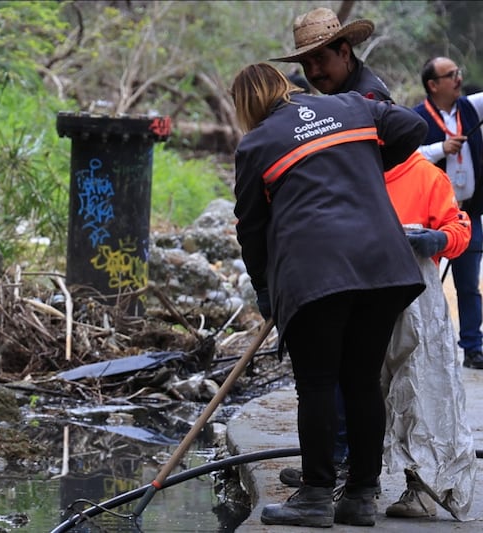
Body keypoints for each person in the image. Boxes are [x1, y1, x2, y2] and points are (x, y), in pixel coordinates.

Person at [231, 62, 427, 527]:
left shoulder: (257, 143)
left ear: (246, 104)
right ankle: (361, 496)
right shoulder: (354, 106)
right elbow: (414, 126)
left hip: (315, 274)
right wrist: (362, 165)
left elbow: (251, 229)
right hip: (384, 267)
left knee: (318, 383)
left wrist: (265, 291)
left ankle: (316, 496)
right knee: (361, 382)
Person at [270, 5, 387, 489]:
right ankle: (345, 469)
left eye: (322, 60)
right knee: (345, 376)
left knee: (342, 377)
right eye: (307, 65)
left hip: (360, 253)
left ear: (346, 51)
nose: (314, 73)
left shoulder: (369, 98)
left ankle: (341, 468)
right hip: (350, 252)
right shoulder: (330, 100)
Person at [381, 151, 476, 520]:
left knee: (421, 391)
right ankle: (356, 480)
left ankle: (421, 488)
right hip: (361, 293)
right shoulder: (354, 166)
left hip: (415, 301)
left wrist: (438, 240)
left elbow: (458, 228)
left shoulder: (425, 176)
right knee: (363, 391)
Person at [413, 57, 483, 370]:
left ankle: (472, 347)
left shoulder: (470, 107)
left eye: (458, 72)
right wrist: (441, 148)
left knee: (468, 285)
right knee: (425, 286)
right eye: (451, 74)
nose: (458, 78)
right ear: (433, 84)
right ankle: (426, 349)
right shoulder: (417, 118)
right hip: (431, 218)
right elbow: (408, 154)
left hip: (468, 214)